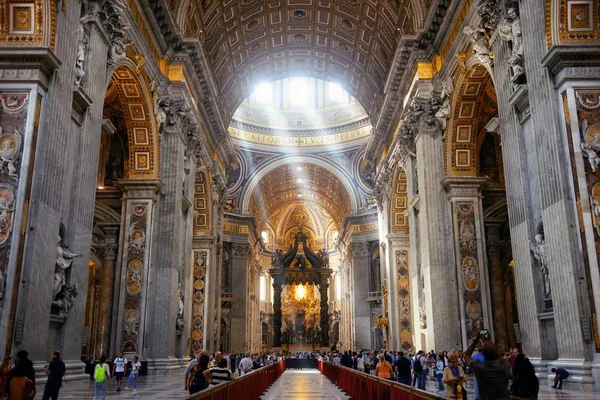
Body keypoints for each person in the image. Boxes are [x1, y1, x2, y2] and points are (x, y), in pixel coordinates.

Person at [465, 333, 511, 400]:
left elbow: (467, 355)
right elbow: (499, 355)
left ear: (483, 354)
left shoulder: (479, 367)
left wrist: (475, 341)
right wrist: (489, 341)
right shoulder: (505, 364)